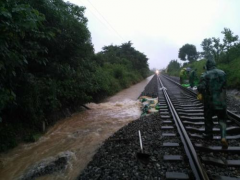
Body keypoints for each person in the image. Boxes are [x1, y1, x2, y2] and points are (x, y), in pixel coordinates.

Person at [197, 58, 228, 148]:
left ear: (207, 66)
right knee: (222, 120)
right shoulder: (223, 73)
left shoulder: (205, 74)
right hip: (221, 101)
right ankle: (223, 137)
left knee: (208, 118)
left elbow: (201, 87)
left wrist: (200, 92)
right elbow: (225, 86)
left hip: (209, 101)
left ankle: (209, 134)